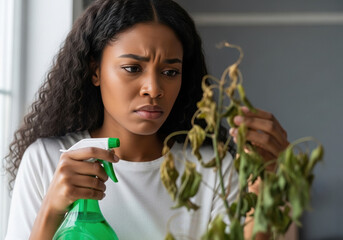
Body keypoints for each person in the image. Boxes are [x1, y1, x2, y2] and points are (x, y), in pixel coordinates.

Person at [4, 0, 289, 239]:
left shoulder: (213, 168)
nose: (153, 89)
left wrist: (265, 181)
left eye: (170, 72)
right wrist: (53, 210)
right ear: (95, 71)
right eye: (132, 68)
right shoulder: (48, 159)